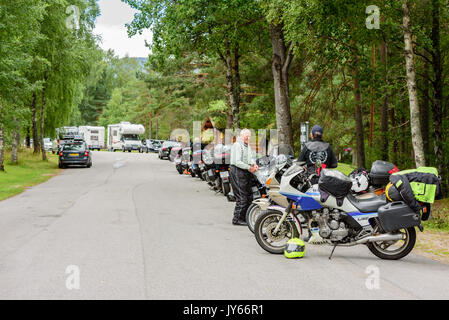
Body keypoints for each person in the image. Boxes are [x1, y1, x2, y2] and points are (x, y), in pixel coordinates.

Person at [230, 129, 258, 226]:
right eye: (247, 136)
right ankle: (237, 219)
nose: (248, 138)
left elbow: (250, 157)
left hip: (245, 171)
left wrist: (254, 164)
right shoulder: (237, 145)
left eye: (250, 136)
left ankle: (245, 218)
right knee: (242, 196)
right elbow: (237, 162)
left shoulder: (247, 146)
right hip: (237, 171)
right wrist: (249, 168)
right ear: (241, 136)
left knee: (249, 195)